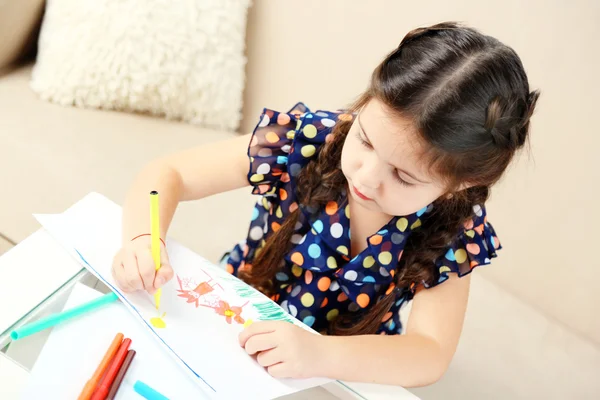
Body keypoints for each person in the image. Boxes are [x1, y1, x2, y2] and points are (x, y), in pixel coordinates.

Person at [112, 22, 539, 387]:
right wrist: (142, 237)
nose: (368, 176)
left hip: (348, 362)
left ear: (460, 185)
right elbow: (171, 173)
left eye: (404, 176)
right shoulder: (310, 140)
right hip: (234, 310)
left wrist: (320, 355)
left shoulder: (455, 227)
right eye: (366, 139)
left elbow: (429, 353)